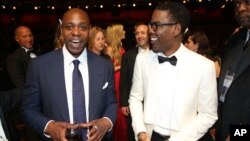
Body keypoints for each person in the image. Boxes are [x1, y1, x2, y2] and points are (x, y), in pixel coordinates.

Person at [21, 8, 117, 141]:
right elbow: (29, 109)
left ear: (89, 31)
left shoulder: (105, 65)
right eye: (69, 27)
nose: (76, 32)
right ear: (61, 30)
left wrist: (106, 122)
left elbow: (111, 103)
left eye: (82, 27)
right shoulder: (39, 66)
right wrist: (50, 127)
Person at [129, 2, 218, 141]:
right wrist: (140, 131)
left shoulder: (204, 66)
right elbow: (135, 98)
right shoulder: (142, 60)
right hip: (150, 136)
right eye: (150, 24)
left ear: (176, 29)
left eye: (156, 25)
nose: (150, 30)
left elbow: (208, 114)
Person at [216, 0, 250, 141]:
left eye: (247, 2)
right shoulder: (235, 39)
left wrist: (240, 133)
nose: (240, 8)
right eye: (236, 5)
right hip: (224, 124)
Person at [120, 22, 150, 141]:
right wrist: (123, 103)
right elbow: (124, 81)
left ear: (149, 34)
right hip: (134, 102)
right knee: (135, 133)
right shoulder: (128, 56)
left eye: (143, 33)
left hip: (152, 101)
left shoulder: (158, 53)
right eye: (137, 33)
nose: (139, 36)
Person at [105, 24, 127, 141]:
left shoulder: (119, 46)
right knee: (117, 110)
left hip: (121, 79)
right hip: (115, 79)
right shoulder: (109, 49)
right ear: (117, 33)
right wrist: (123, 66)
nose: (124, 32)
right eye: (122, 30)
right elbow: (109, 68)